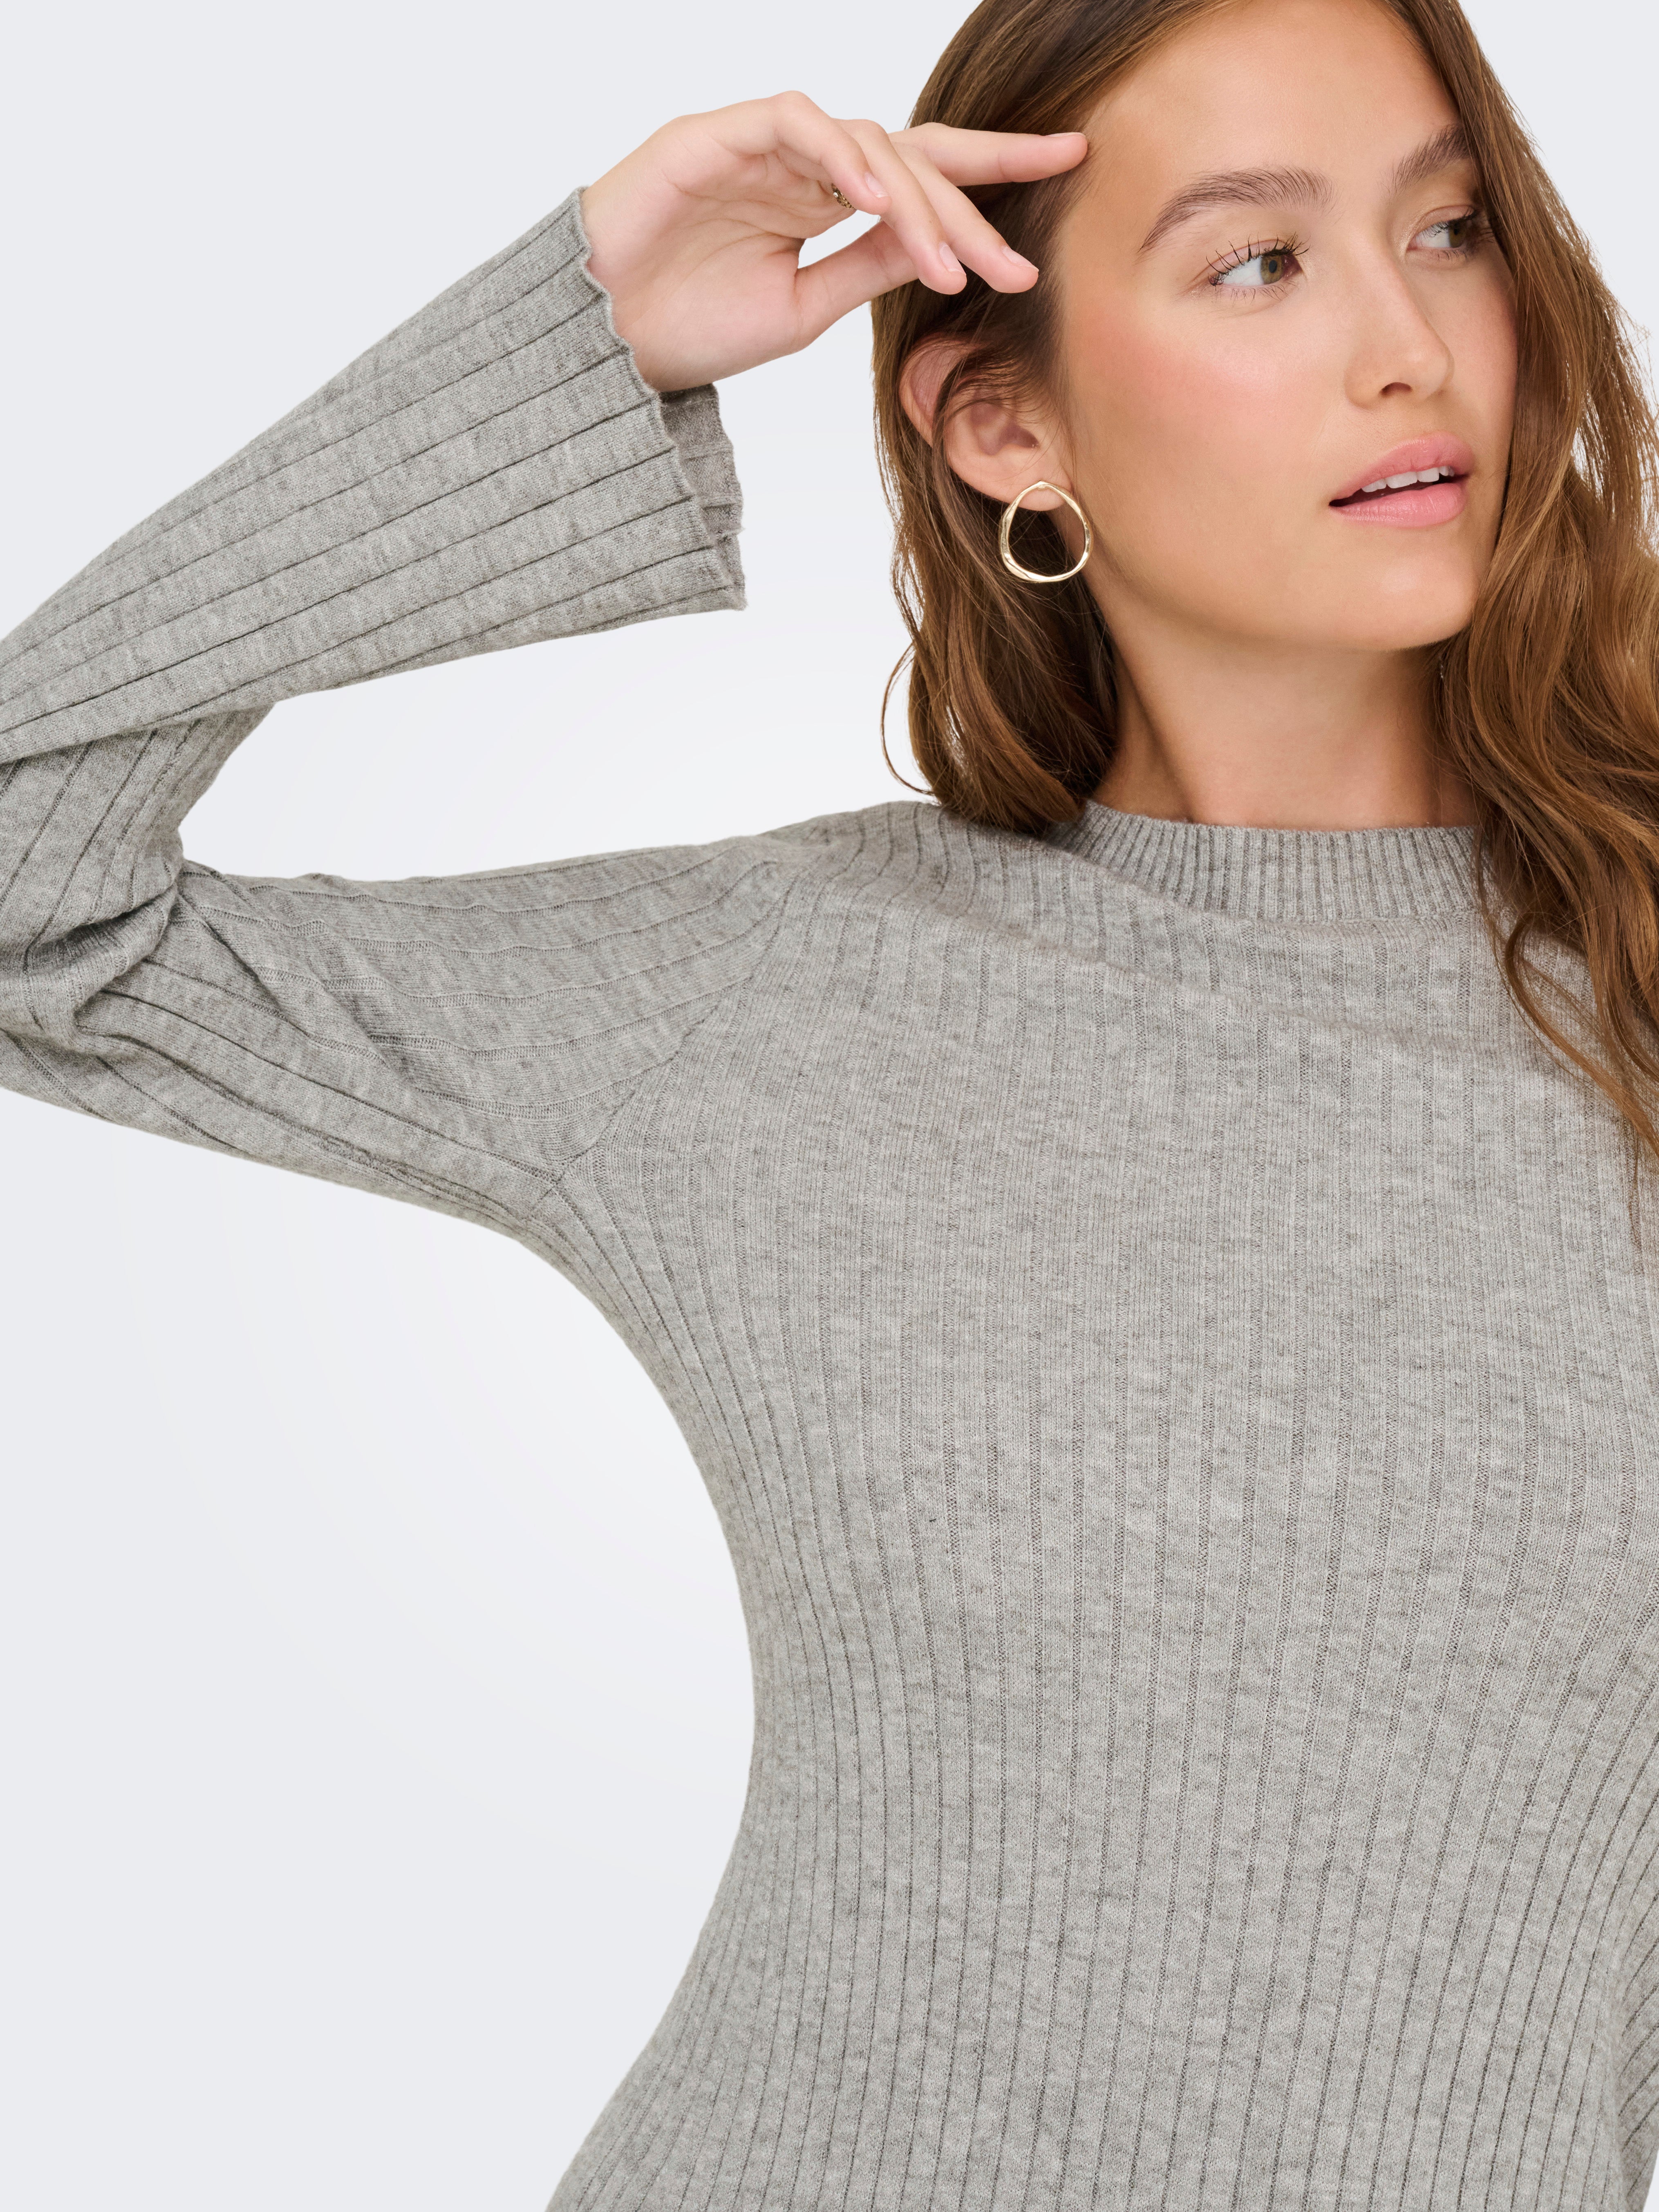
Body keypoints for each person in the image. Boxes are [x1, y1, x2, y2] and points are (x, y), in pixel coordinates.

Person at [4, 0, 1658, 2204]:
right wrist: (578, 339)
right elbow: (34, 917)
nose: (1412, 348)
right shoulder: (769, 990)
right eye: (1260, 261)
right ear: (1007, 426)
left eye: (1449, 229)